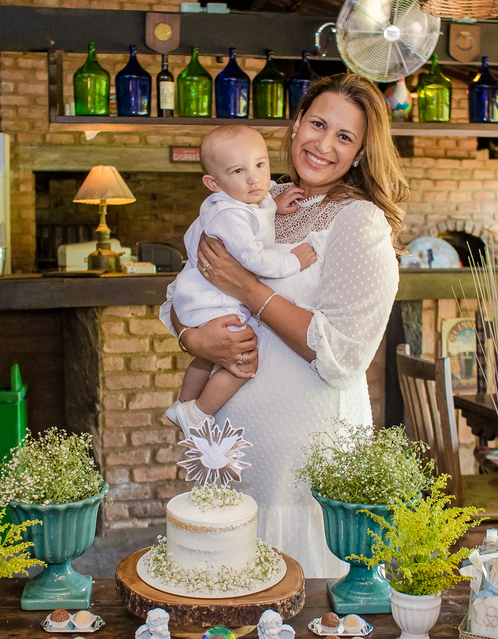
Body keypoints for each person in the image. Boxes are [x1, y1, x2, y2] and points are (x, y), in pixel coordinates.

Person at [159, 73, 408, 578]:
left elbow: (342, 355)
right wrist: (194, 337)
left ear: (360, 152)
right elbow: (182, 291)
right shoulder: (258, 200)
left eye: (344, 137)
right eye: (317, 124)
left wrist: (248, 289)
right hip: (236, 454)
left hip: (303, 468)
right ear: (296, 125)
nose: (323, 144)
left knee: (301, 622)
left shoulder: (358, 221)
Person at [164, 125, 317, 434]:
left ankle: (182, 405)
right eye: (238, 170)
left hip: (199, 296)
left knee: (207, 359)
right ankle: (197, 413)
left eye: (260, 164)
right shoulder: (228, 214)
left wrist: (276, 206)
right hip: (215, 299)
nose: (254, 178)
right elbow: (253, 257)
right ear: (213, 183)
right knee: (243, 362)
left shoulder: (237, 202)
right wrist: (293, 261)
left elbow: (256, 214)